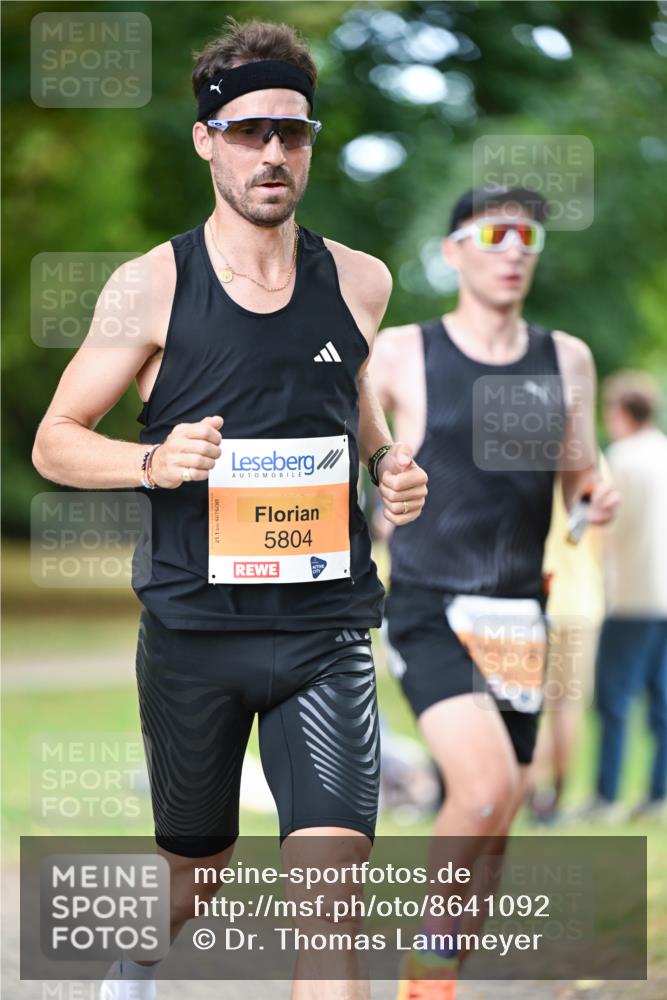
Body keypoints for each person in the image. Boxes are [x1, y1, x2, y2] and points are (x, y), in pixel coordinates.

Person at [31, 18, 427, 1000]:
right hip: (193, 631)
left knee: (328, 899)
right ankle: (136, 961)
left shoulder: (363, 281)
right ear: (207, 138)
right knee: (197, 867)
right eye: (248, 131)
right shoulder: (151, 287)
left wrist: (385, 462)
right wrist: (153, 460)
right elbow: (56, 440)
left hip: (326, 629)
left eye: (292, 133)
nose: (272, 152)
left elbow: (347, 390)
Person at [368, 185, 618, 998]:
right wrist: (378, 494)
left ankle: (438, 976)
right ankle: (422, 983)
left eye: (527, 238)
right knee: (481, 794)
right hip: (427, 601)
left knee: (499, 822)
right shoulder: (403, 350)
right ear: (453, 252)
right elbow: (352, 453)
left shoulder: (565, 356)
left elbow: (580, 471)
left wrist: (594, 495)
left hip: (518, 610)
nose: (513, 250)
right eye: (494, 234)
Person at [584, 371, 667, 822]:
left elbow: (603, 527)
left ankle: (606, 794)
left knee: (613, 702)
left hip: (631, 595)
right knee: (663, 702)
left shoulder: (622, 458)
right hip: (665, 596)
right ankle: (658, 793)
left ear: (619, 413)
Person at [528, 462, 607, 824]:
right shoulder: (592, 464)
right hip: (578, 599)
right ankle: (557, 799)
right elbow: (592, 534)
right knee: (567, 706)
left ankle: (533, 795)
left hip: (531, 596)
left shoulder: (523, 455)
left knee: (532, 706)